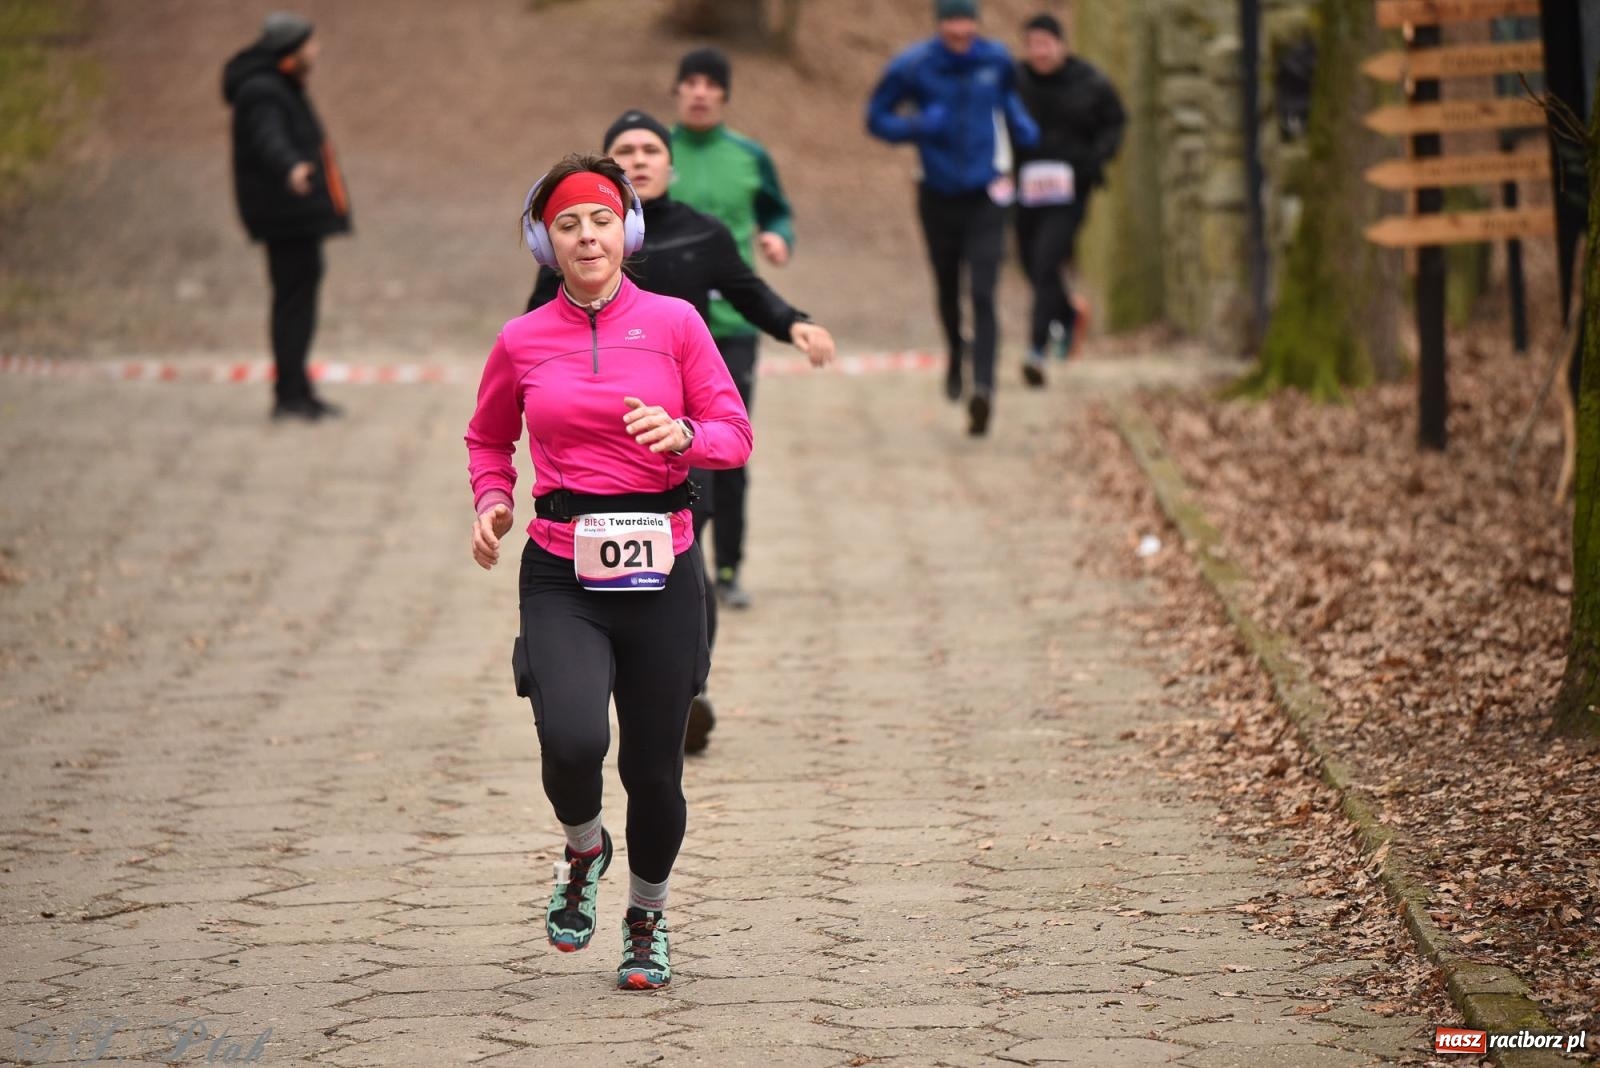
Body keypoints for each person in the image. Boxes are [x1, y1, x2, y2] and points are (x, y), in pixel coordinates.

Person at [466, 154, 752, 989]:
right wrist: (492, 498)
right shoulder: (521, 340)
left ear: (625, 232)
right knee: (572, 741)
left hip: (662, 570)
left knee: (653, 770)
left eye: (599, 220)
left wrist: (684, 437)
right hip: (561, 570)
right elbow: (489, 437)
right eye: (567, 224)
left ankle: (646, 918)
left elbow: (733, 430)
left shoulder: (675, 324)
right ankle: (585, 848)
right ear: (544, 242)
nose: (586, 237)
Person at [526, 110, 836, 756]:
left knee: (688, 561)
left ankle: (686, 687)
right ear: (608, 169)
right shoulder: (583, 242)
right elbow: (535, 328)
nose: (638, 159)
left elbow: (748, 292)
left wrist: (794, 324)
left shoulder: (703, 234)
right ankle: (569, 665)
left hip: (678, 429)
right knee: (584, 567)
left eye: (649, 149)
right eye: (623, 150)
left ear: (670, 165)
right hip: (593, 446)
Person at [867, 0, 1038, 436]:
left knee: (983, 291)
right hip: (938, 193)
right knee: (948, 286)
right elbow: (877, 119)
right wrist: (920, 125)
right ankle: (955, 355)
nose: (959, 29)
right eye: (951, 20)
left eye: (966, 20)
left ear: (976, 22)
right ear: (939, 23)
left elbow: (1009, 99)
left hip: (989, 191)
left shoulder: (997, 60)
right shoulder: (914, 65)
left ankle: (984, 389)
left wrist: (1021, 124)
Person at [670, 46, 795, 609]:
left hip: (732, 325)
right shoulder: (653, 154)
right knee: (673, 451)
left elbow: (776, 210)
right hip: (665, 331)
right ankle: (679, 560)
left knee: (728, 446)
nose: (699, 91)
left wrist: (778, 237)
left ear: (724, 94)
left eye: (710, 83)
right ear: (677, 92)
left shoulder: (749, 155)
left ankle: (728, 567)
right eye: (689, 82)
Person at [221, 12, 351, 421]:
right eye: (309, 45)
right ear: (290, 50)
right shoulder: (263, 90)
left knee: (296, 300)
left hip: (294, 216)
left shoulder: (278, 84)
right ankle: (290, 395)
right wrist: (291, 167)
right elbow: (268, 138)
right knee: (293, 303)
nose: (316, 51)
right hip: (286, 216)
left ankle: (297, 389)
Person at [1013, 12, 1125, 387]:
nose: (1039, 52)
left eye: (1046, 44)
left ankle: (1036, 349)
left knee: (1047, 261)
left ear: (1061, 45)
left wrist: (1095, 160)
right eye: (1033, 45)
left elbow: (1115, 122)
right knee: (1030, 263)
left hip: (1070, 190)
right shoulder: (1015, 82)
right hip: (1026, 189)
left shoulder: (1090, 82)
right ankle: (1068, 314)